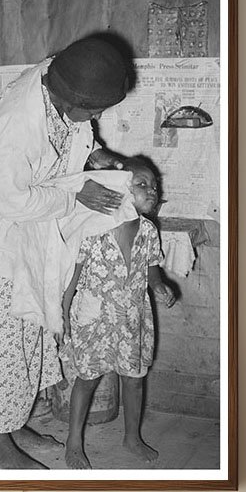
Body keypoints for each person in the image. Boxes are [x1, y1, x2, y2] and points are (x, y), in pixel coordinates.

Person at [0, 34, 133, 469]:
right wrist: (76, 197)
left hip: (12, 232)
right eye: (94, 110)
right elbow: (12, 201)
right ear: (69, 96)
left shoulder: (53, 80)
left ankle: (11, 421)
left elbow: (75, 134)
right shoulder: (17, 127)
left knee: (27, 337)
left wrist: (94, 157)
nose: (96, 117)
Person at [60, 159, 176, 469]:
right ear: (118, 189)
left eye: (154, 186)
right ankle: (73, 442)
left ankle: (132, 437)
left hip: (131, 316)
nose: (152, 190)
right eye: (142, 185)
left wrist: (161, 287)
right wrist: (63, 309)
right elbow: (75, 272)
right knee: (86, 378)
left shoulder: (149, 231)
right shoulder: (93, 226)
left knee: (134, 379)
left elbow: (152, 270)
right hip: (93, 317)